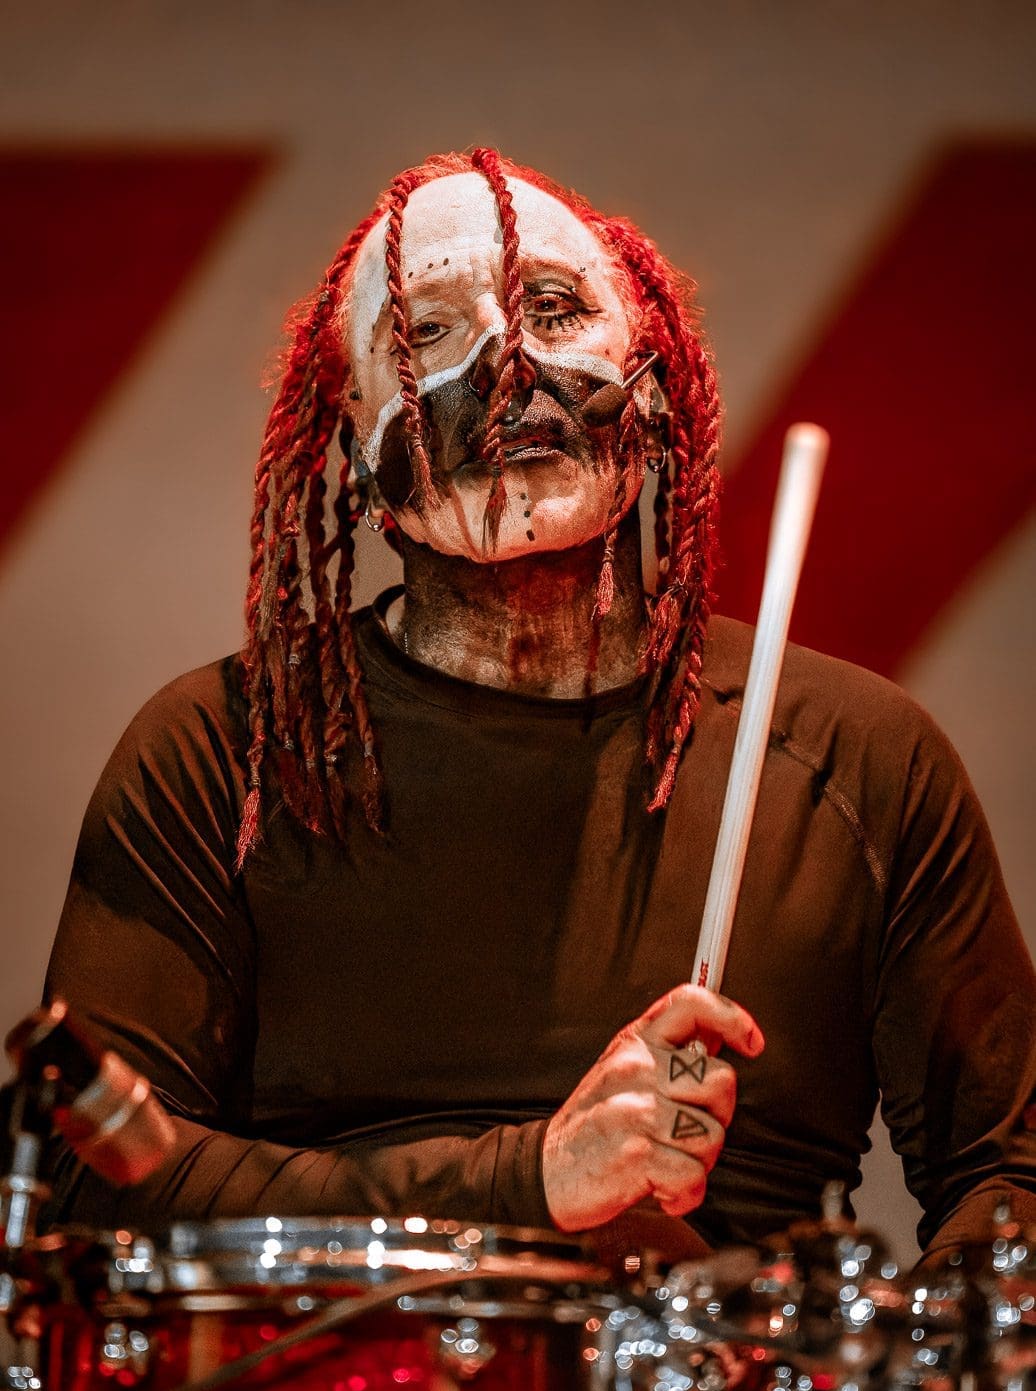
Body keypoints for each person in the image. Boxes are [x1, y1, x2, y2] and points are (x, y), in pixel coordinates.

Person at [40, 149, 1035, 1265]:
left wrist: (917, 1357)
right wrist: (529, 1179)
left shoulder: (858, 757)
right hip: (337, 1368)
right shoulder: (223, 752)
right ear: (354, 445)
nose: (503, 361)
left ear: (651, 387)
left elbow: (1012, 1176)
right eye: (423, 334)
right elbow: (89, 1184)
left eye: (554, 310)